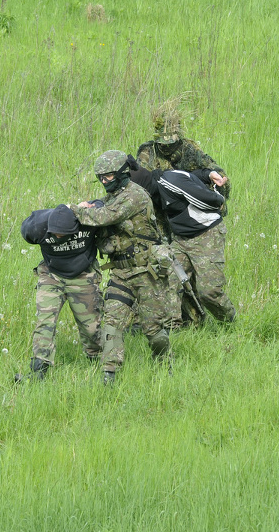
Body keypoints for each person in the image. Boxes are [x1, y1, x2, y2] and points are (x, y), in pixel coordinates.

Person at [71, 150, 181, 384]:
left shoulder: (134, 196)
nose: (104, 181)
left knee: (153, 330)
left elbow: (104, 217)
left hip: (146, 273)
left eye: (108, 176)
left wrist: (72, 210)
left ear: (121, 173)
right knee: (112, 323)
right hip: (121, 273)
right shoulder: (115, 197)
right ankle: (109, 375)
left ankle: (165, 365)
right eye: (100, 177)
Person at [127, 162, 236, 324]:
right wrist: (206, 174)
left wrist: (217, 194)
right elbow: (190, 175)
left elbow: (211, 200)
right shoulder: (157, 187)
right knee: (168, 281)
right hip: (180, 239)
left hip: (206, 235)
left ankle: (230, 322)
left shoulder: (168, 182)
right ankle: (173, 328)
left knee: (209, 291)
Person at [16, 204, 104, 382]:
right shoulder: (36, 227)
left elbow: (109, 208)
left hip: (83, 274)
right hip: (52, 274)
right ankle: (39, 369)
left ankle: (97, 361)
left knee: (91, 327)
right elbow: (26, 230)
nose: (58, 237)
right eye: (55, 234)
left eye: (63, 235)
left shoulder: (89, 220)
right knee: (45, 321)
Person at [135, 105, 230, 237]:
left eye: (170, 142)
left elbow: (214, 169)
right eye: (162, 142)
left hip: (191, 216)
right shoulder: (148, 152)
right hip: (160, 213)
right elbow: (141, 182)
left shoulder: (189, 149)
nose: (165, 146)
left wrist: (212, 175)